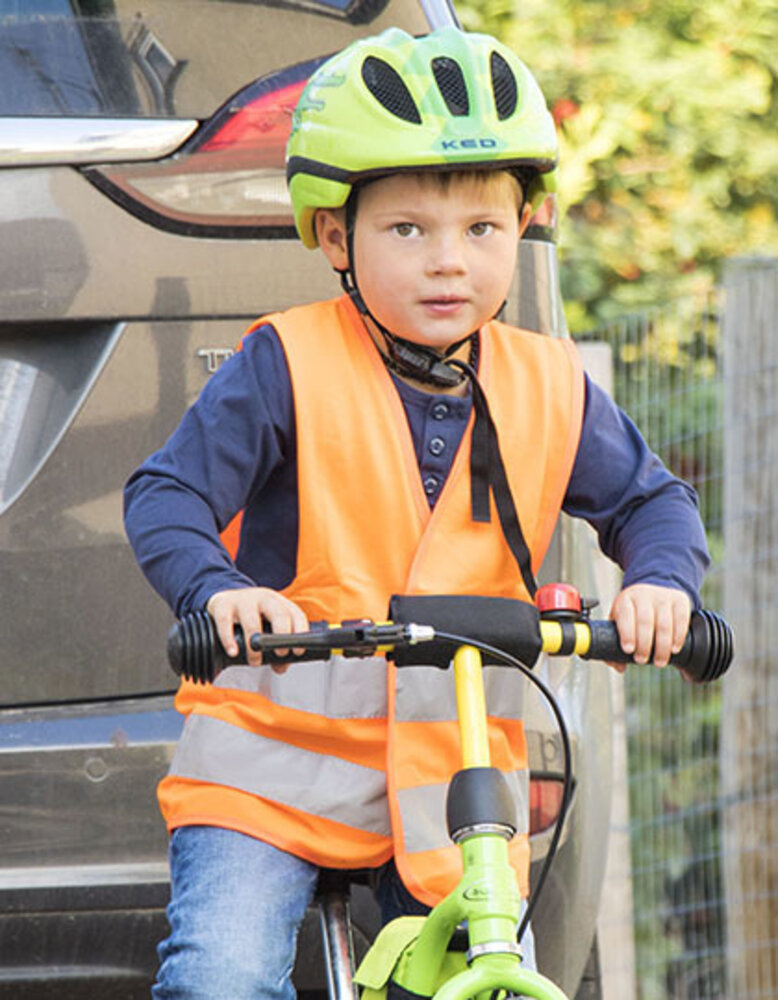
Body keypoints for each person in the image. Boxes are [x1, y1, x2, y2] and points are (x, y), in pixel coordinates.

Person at [124, 26, 709, 1000]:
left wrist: (660, 584)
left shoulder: (547, 383)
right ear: (334, 237)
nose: (450, 263)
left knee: (487, 972)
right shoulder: (286, 364)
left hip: (454, 782)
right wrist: (217, 592)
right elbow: (167, 496)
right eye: (408, 231)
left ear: (521, 226)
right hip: (267, 772)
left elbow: (652, 501)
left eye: (481, 230)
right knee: (220, 974)